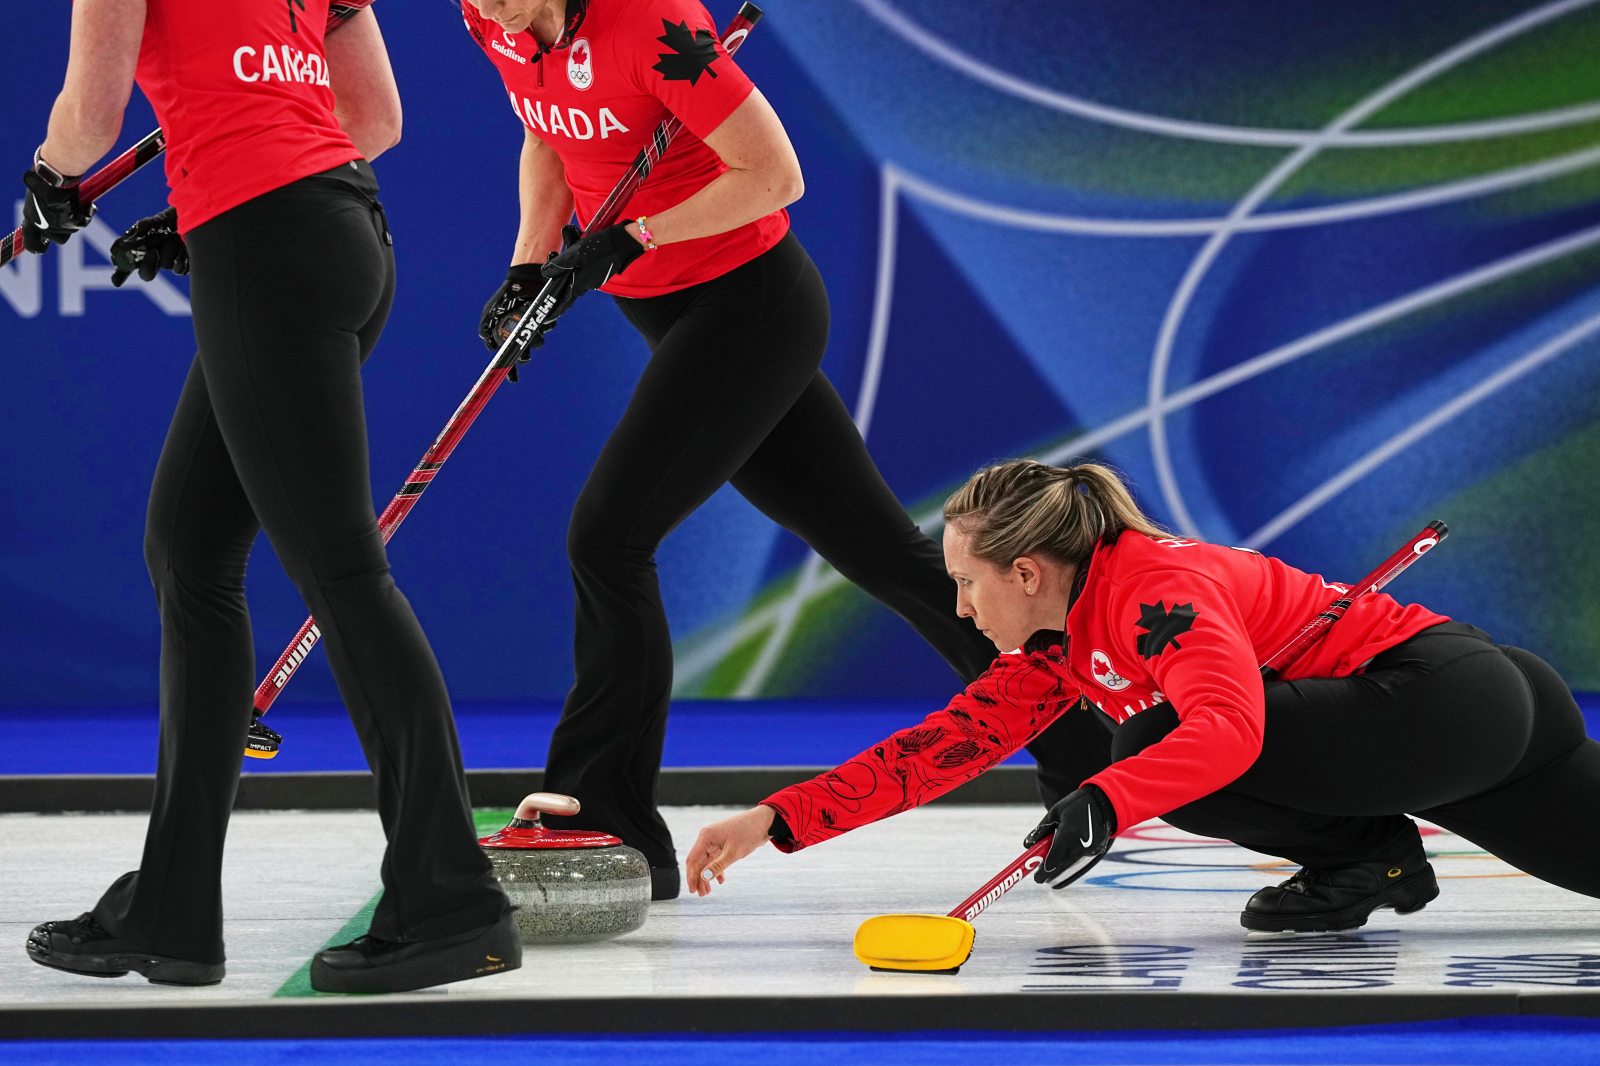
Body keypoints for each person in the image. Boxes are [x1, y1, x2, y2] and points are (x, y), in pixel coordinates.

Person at [459, 0, 1110, 901]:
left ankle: (606, 816)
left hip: (748, 303)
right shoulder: (490, 18)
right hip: (661, 304)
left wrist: (627, 238)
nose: (487, 6)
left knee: (608, 538)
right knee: (886, 554)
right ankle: (1091, 764)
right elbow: (545, 134)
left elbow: (774, 174)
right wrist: (532, 263)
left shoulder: (650, 23)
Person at [20, 0, 517, 993]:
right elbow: (372, 116)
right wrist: (187, 203)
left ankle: (453, 897)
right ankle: (171, 907)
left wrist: (50, 180)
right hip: (342, 228)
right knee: (190, 552)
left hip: (264, 243)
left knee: (341, 572)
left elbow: (90, 118)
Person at [684, 458, 1600, 932]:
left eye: (968, 583)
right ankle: (1372, 857)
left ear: (1030, 572)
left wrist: (1104, 802)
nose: (960, 608)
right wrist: (773, 818)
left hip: (1440, 705)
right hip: (1481, 722)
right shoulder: (1057, 641)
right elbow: (945, 746)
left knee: (1157, 744)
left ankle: (1371, 862)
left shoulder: (1152, 589)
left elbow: (1231, 729)